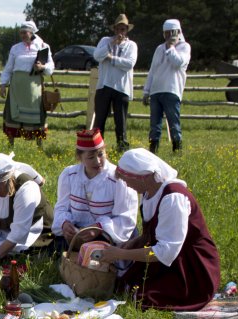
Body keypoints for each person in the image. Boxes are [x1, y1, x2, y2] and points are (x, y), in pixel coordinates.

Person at [97, 149, 220, 311]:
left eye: (128, 180)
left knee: (142, 298)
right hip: (165, 260)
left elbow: (166, 251)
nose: (127, 185)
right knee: (123, 286)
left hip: (190, 266)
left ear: (144, 177)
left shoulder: (173, 198)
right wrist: (132, 244)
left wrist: (120, 254)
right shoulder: (149, 193)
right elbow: (150, 233)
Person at [52, 129, 138, 250]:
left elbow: (125, 218)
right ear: (80, 158)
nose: (97, 161)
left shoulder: (118, 179)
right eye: (91, 157)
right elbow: (61, 207)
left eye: (100, 154)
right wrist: (65, 223)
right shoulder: (69, 175)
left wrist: (99, 227)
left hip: (109, 234)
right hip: (78, 233)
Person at [0, 152, 52, 268]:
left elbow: (19, 230)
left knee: (21, 254)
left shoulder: (26, 187)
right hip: (3, 229)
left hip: (32, 230)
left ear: (9, 179)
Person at [0, 21, 54, 146]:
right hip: (17, 87)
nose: (22, 35)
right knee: (13, 114)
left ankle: (39, 145)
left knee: (36, 115)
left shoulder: (43, 46)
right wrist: (3, 84)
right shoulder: (16, 48)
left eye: (25, 32)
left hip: (34, 86)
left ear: (32, 32)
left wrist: (42, 66)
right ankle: (10, 145)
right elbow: (8, 68)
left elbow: (51, 67)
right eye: (21, 33)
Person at [143, 19, 191, 153]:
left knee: (173, 122)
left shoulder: (184, 47)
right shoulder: (159, 48)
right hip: (156, 90)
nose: (168, 36)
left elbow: (178, 62)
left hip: (172, 89)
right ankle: (153, 149)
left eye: (171, 32)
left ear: (177, 32)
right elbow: (153, 70)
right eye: (166, 33)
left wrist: (171, 47)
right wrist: (146, 91)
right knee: (155, 125)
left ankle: (177, 148)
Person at [93, 14, 138, 151]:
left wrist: (111, 58)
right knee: (100, 119)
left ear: (127, 30)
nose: (120, 32)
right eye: (118, 29)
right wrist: (111, 45)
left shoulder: (131, 45)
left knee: (121, 121)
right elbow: (97, 56)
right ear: (114, 29)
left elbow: (129, 64)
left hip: (121, 87)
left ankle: (122, 147)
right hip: (104, 85)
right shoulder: (105, 41)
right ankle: (96, 147)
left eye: (123, 29)